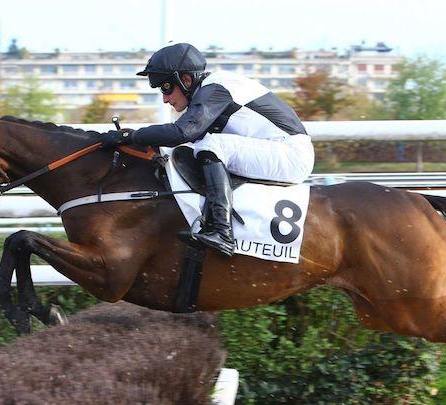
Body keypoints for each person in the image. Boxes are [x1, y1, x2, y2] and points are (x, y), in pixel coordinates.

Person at [100, 43, 314, 257]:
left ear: (186, 80)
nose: (165, 98)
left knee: (211, 145)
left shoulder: (215, 88)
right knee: (197, 148)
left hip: (291, 154)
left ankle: (222, 232)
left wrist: (131, 135)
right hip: (279, 151)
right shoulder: (209, 91)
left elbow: (181, 132)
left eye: (166, 87)